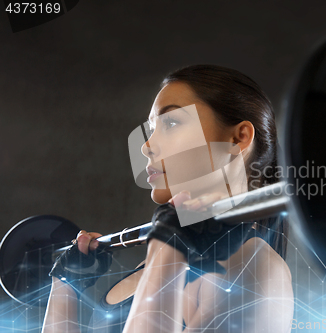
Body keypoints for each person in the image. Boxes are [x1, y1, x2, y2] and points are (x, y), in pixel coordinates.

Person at [41, 64, 294, 333]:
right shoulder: (155, 261)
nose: (147, 146)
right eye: (151, 130)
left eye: (171, 123)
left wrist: (167, 252)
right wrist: (66, 285)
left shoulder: (256, 268)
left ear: (238, 138)